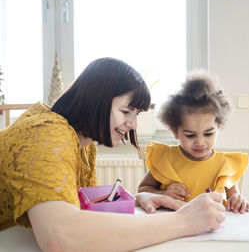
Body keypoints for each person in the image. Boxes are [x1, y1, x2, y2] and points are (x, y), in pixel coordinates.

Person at [0, 58, 226, 251]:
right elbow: (60, 234)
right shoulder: (47, 134)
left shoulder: (81, 143)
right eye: (126, 111)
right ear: (94, 101)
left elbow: (73, 210)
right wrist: (182, 221)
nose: (132, 124)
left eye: (136, 114)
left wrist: (138, 200)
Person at [138, 70, 249, 214]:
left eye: (208, 134)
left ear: (219, 126)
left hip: (210, 229)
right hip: (172, 227)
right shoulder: (165, 159)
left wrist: (237, 200)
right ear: (175, 132)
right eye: (190, 135)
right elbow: (142, 191)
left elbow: (234, 196)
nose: (200, 142)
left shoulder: (224, 164)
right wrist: (164, 193)